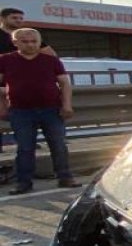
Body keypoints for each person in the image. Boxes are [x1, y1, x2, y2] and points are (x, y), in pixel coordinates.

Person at [0, 28, 80, 194]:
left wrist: (67, 105)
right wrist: (3, 105)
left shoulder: (51, 60)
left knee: (58, 145)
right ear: (15, 43)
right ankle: (24, 182)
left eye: (34, 41)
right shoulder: (5, 60)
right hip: (20, 111)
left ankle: (65, 177)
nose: (30, 45)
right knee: (25, 148)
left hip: (51, 109)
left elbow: (64, 83)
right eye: (25, 41)